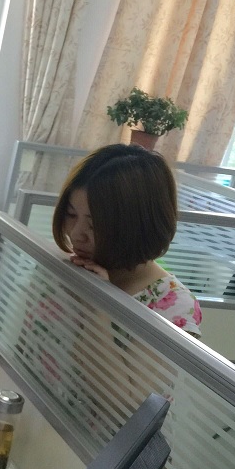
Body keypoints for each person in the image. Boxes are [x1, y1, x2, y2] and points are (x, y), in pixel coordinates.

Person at [51, 143, 202, 337]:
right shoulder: (64, 264)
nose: (75, 234)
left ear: (137, 227)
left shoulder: (175, 306)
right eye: (71, 215)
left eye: (94, 225)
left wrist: (99, 303)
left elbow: (101, 359)